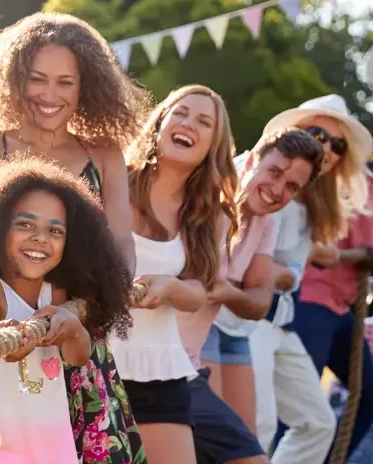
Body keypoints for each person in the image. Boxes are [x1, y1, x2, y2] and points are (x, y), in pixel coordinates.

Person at [0, 12, 149, 464]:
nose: (51, 95)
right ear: (14, 79)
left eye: (66, 82)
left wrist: (92, 304)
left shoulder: (104, 154)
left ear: (86, 86)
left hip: (76, 336)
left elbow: (122, 243)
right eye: (38, 79)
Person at [0, 156, 132, 463]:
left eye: (55, 231)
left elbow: (78, 356)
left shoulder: (56, 292)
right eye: (25, 224)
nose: (39, 237)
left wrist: (72, 328)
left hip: (54, 449)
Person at [209, 94, 373, 464]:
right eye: (317, 132)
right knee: (255, 428)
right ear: (294, 132)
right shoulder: (258, 177)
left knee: (317, 422)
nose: (326, 146)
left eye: (337, 143)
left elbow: (288, 273)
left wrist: (274, 272)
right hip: (237, 322)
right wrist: (270, 273)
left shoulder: (315, 200)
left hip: (278, 321)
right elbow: (237, 260)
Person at [178, 127, 324, 464]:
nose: (277, 190)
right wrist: (226, 291)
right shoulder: (206, 199)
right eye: (274, 172)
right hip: (164, 358)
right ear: (251, 161)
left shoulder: (265, 224)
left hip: (192, 355)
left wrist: (224, 290)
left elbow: (259, 303)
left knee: (250, 444)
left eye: (292, 187)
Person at [283, 121, 373, 462]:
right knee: (297, 405)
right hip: (311, 301)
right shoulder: (347, 178)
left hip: (343, 310)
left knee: (372, 398)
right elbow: (318, 250)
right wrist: (362, 256)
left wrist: (372, 257)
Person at [109, 85, 238, 464]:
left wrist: (169, 288)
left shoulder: (212, 214)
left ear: (213, 144)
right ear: (160, 121)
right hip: (94, 357)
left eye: (203, 121)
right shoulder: (114, 178)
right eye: (180, 113)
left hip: (159, 366)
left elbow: (200, 291)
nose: (188, 124)